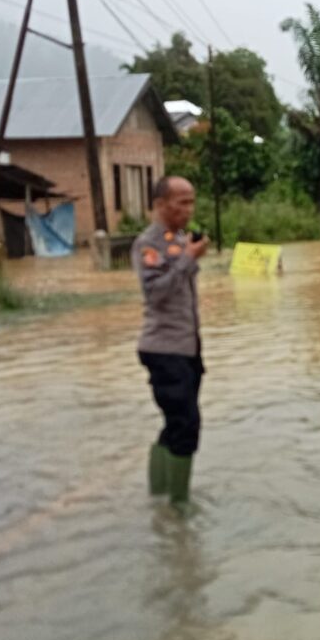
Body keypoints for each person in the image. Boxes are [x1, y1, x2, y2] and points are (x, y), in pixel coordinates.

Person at [132, 176, 210, 510]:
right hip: (163, 349)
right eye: (183, 203)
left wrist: (187, 253)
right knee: (187, 425)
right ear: (161, 204)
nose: (190, 210)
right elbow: (156, 292)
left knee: (175, 423)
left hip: (186, 347)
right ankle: (179, 507)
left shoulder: (177, 239)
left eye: (192, 201)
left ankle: (159, 497)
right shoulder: (148, 244)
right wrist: (189, 258)